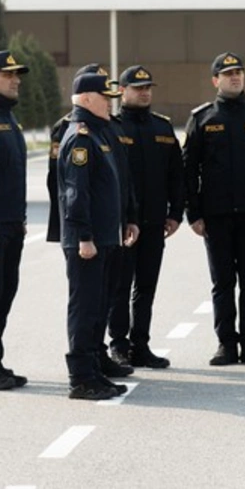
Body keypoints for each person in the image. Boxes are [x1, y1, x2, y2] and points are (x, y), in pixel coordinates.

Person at [184, 52, 245, 367]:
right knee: (223, 281)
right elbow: (189, 170)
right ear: (216, 80)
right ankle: (226, 344)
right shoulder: (203, 118)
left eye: (238, 72)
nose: (235, 77)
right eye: (227, 74)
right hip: (216, 215)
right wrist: (194, 213)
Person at [58, 72, 135, 400]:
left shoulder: (100, 133)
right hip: (88, 241)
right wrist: (84, 237)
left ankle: (93, 370)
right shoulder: (81, 137)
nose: (109, 103)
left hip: (105, 237)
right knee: (85, 308)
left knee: (98, 305)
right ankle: (81, 378)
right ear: (87, 99)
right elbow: (77, 193)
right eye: (105, 98)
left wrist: (124, 221)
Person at [108, 65, 184, 370]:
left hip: (154, 222)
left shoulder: (162, 128)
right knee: (120, 286)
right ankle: (119, 345)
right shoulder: (113, 127)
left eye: (148, 88)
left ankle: (141, 345)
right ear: (122, 91)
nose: (144, 93)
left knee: (146, 287)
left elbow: (177, 175)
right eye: (138, 88)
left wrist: (176, 213)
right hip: (123, 225)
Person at [0, 51, 29, 390]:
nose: (16, 79)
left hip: (10, 225)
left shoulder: (9, 120)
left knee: (5, 295)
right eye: (8, 75)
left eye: (16, 75)